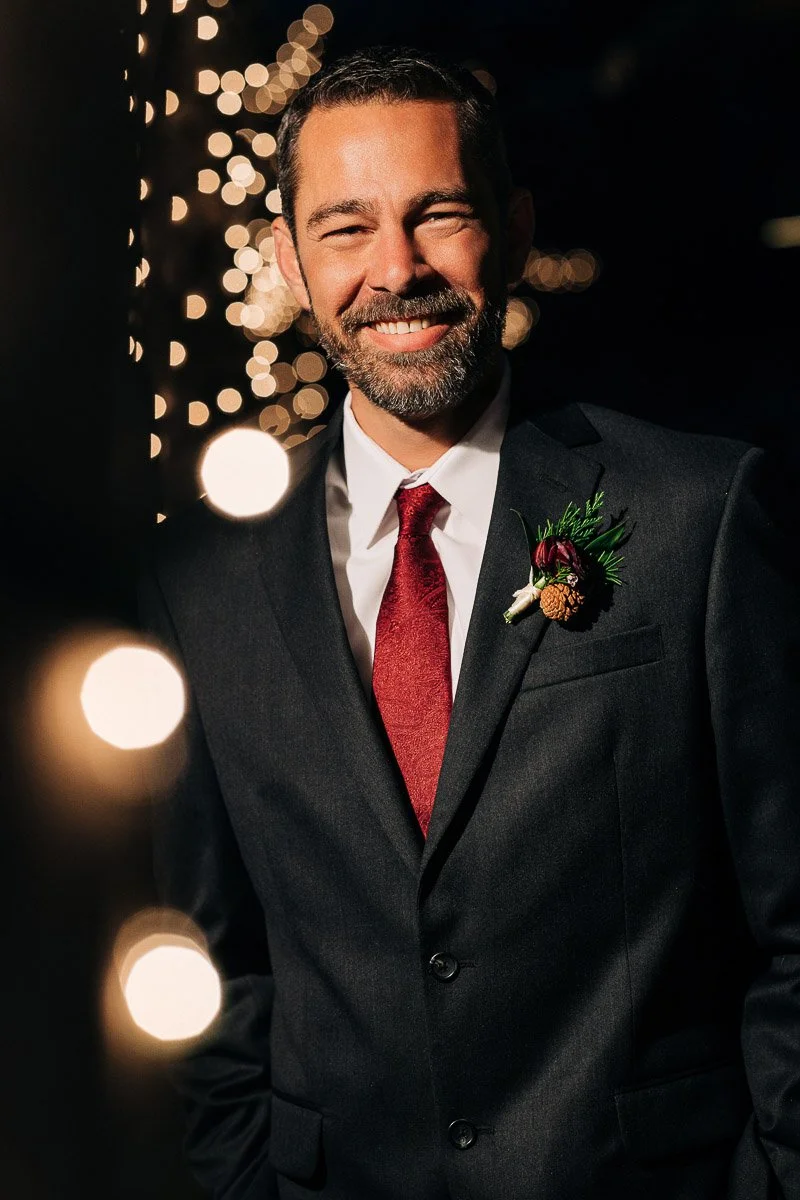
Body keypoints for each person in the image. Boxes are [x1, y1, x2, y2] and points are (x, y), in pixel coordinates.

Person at [140, 46, 800, 1200]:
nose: (395, 269)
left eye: (436, 214)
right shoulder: (200, 577)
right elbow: (210, 967)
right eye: (345, 228)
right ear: (289, 259)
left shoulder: (693, 516)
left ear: (512, 226)